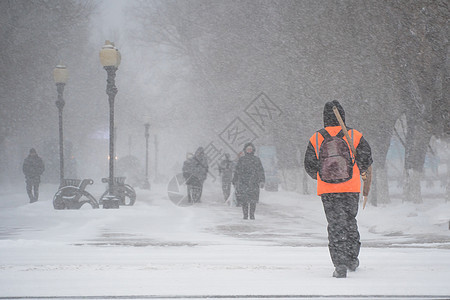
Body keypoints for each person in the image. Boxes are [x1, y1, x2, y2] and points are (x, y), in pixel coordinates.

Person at [304, 100, 373, 278]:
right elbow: (366, 159)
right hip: (350, 188)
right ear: (342, 115)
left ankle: (339, 263)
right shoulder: (354, 135)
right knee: (350, 221)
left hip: (328, 190)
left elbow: (309, 165)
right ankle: (352, 258)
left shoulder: (317, 137)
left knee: (335, 225)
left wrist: (322, 176)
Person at [232, 143, 265, 220]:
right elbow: (237, 171)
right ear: (245, 150)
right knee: (244, 200)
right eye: (248, 149)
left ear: (253, 150)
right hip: (243, 182)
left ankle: (252, 215)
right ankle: (245, 215)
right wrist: (235, 179)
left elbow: (260, 171)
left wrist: (262, 180)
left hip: (254, 182)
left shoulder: (256, 159)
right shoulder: (241, 159)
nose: (249, 150)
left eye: (250, 149)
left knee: (253, 200)